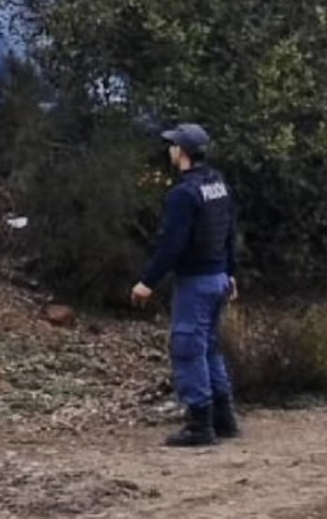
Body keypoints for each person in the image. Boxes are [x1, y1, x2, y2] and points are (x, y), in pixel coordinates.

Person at [131, 122, 240, 447]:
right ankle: (224, 418)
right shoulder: (218, 184)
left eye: (173, 146)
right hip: (219, 278)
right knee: (208, 348)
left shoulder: (183, 194)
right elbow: (230, 232)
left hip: (196, 282)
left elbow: (172, 244)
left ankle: (199, 424)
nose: (169, 150)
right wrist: (231, 272)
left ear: (182, 152)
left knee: (187, 349)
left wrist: (147, 282)